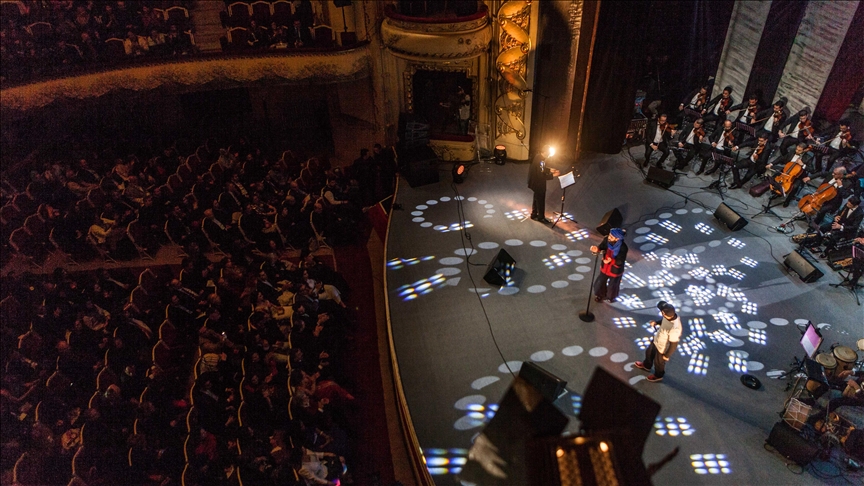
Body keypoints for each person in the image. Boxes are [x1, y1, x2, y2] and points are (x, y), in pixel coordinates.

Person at [634, 303, 682, 383]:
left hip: (662, 347)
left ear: (663, 313)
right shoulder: (670, 316)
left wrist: (666, 356)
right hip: (657, 339)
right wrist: (656, 322)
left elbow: (674, 344)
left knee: (659, 362)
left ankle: (658, 375)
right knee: (649, 353)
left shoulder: (674, 329)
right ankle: (646, 365)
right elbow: (663, 321)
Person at [590, 228, 628, 303]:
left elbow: (620, 260)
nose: (609, 237)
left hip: (615, 269)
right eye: (609, 235)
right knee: (599, 283)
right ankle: (600, 295)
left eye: (611, 237)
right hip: (605, 267)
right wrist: (597, 249)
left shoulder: (623, 247)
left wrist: (612, 261)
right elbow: (602, 247)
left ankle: (611, 297)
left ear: (617, 239)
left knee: (613, 285)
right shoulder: (606, 240)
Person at [527, 145, 559, 223]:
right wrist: (552, 175)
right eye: (548, 153)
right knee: (541, 200)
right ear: (544, 152)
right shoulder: (541, 161)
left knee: (536, 198)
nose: (549, 155)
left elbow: (542, 168)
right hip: (538, 183)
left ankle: (534, 214)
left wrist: (549, 170)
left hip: (534, 182)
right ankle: (541, 217)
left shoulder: (538, 156)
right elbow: (541, 175)